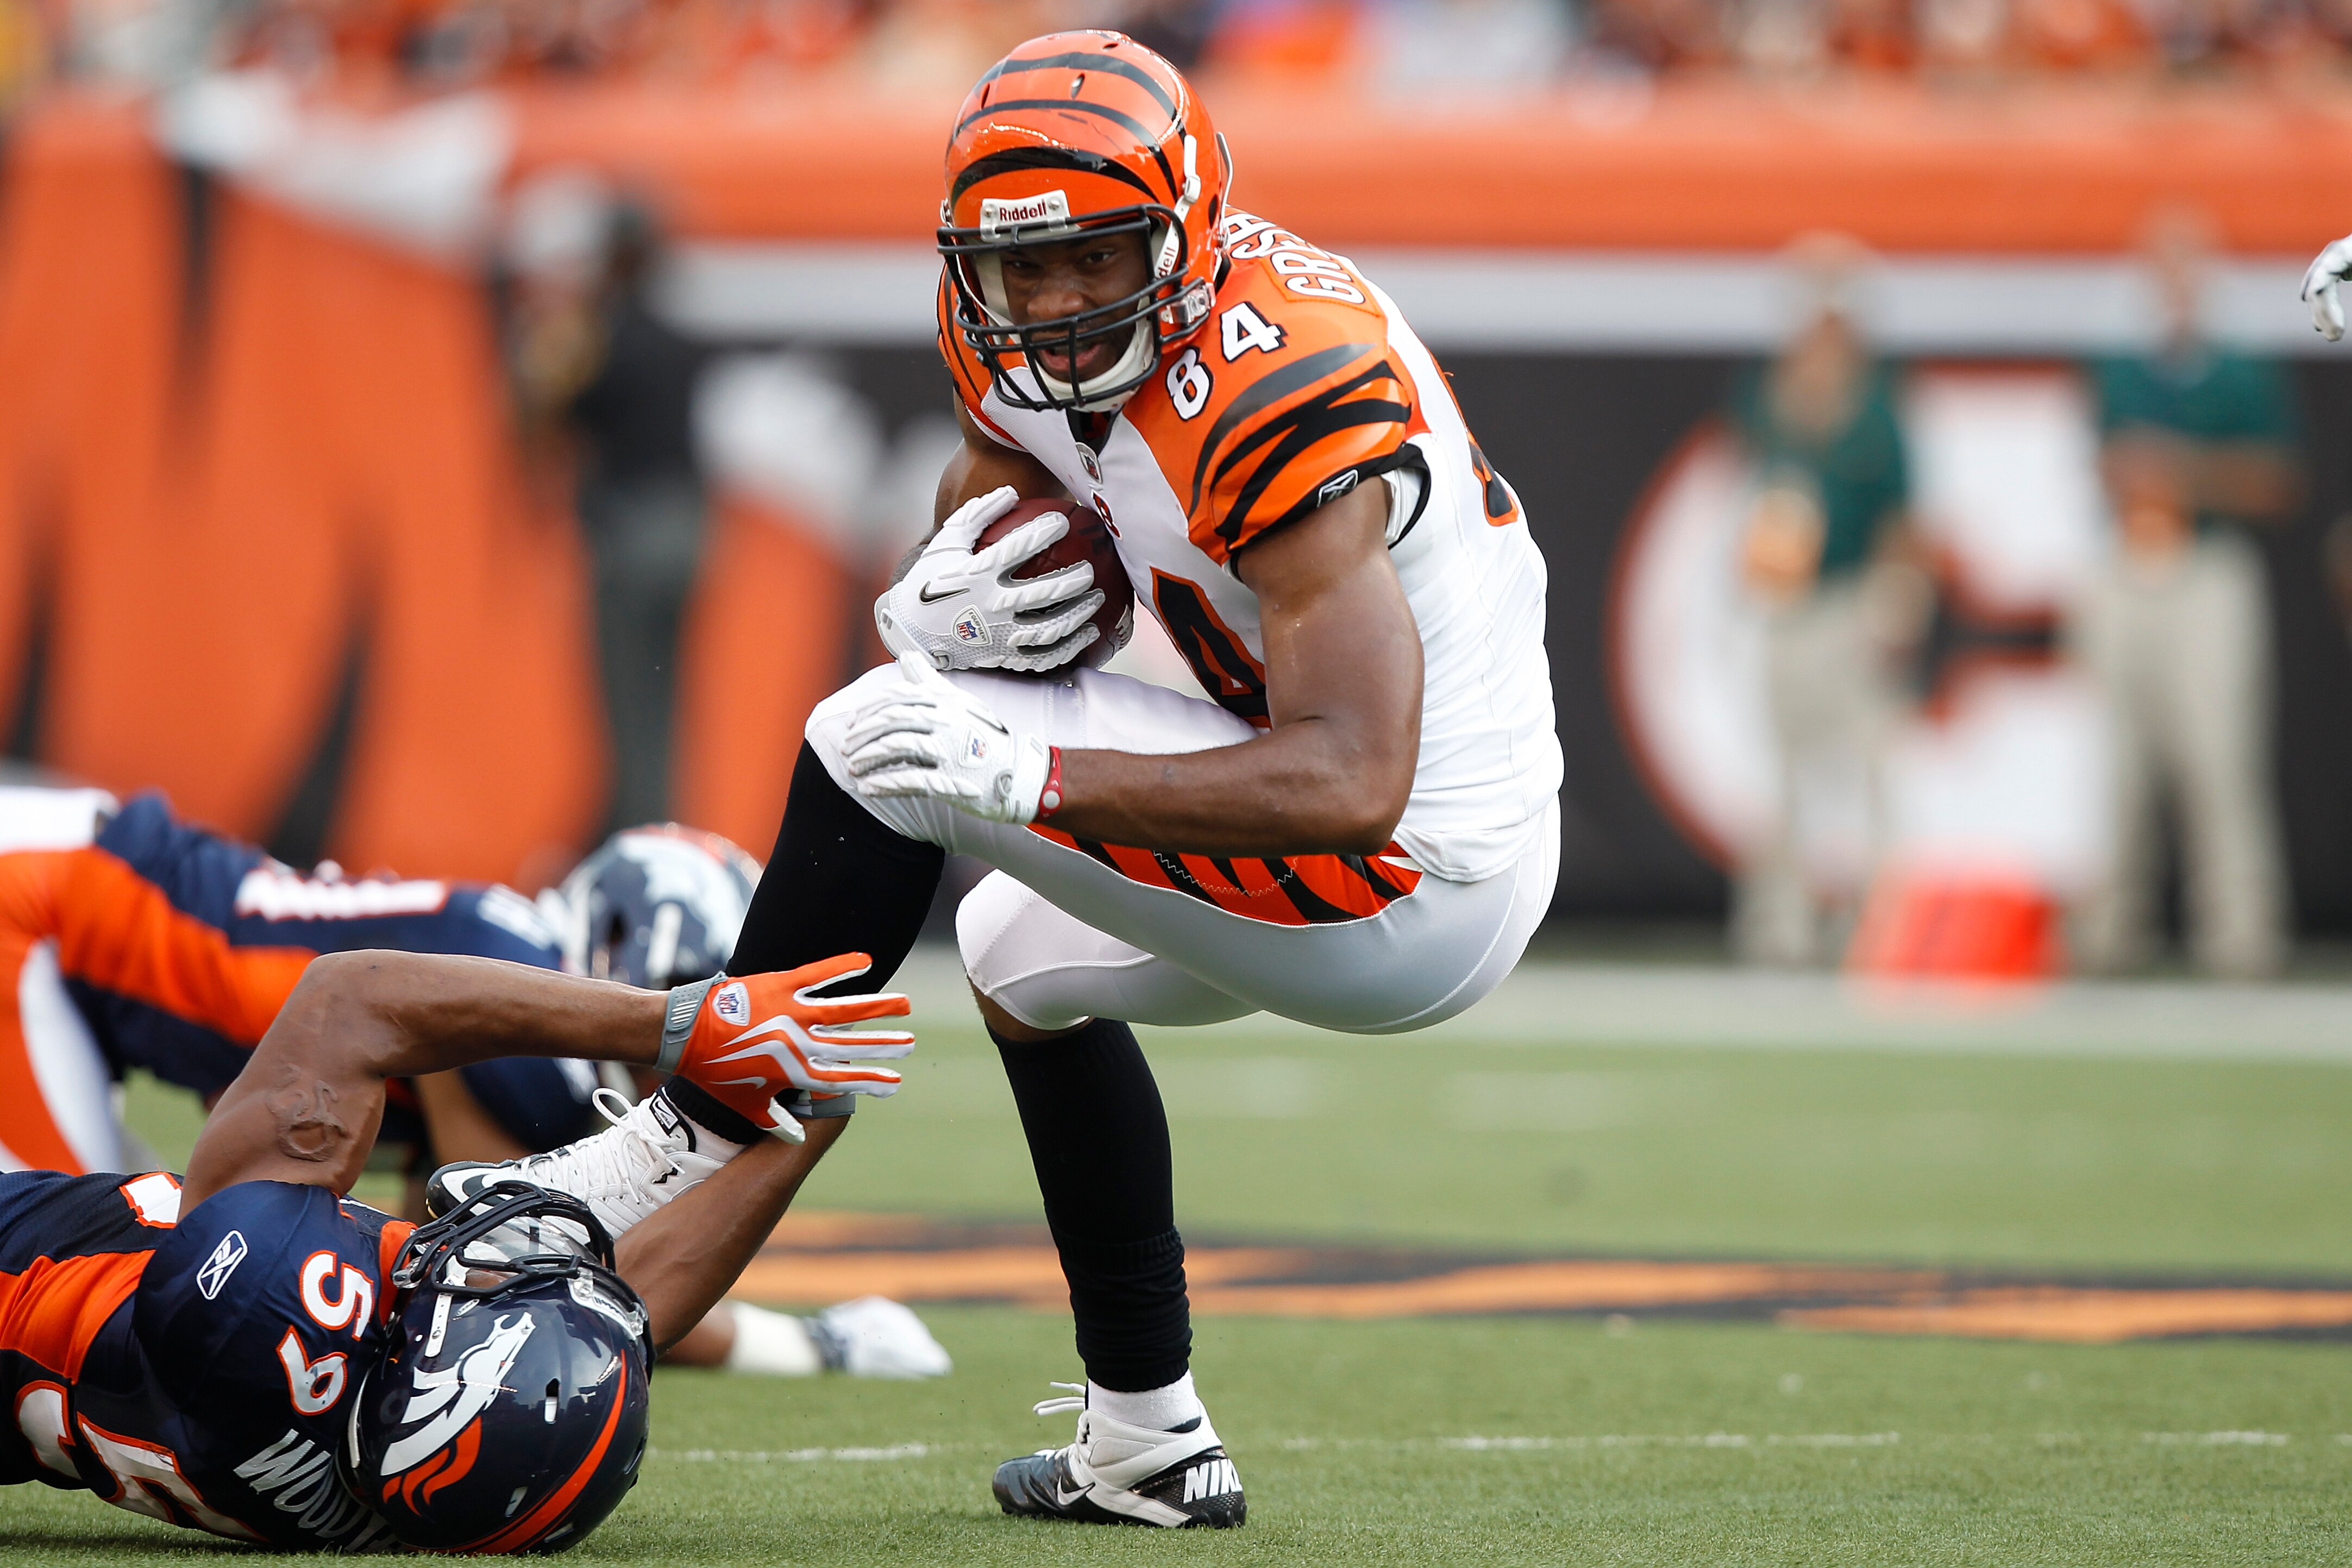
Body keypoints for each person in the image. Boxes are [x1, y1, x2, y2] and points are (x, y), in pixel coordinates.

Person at [654, 31, 1559, 1528]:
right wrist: (955, 580)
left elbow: (1349, 777)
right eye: (1029, 272)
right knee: (1013, 952)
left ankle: (682, 1132)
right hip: (1275, 745)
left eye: (1099, 261)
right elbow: (1026, 498)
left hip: (1417, 865)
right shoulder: (1001, 333)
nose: (1060, 307)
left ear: (1185, 240)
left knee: (883, 743)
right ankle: (1146, 1435)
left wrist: (1029, 767)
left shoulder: (1283, 384)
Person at [0, 789, 946, 1378]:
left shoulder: (506, 954)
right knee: (89, 1312)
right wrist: (809, 1346)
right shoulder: (519, 1041)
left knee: (147, 1257)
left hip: (69, 919)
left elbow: (417, 1246)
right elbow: (504, 1284)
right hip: (31, 916)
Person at [0, 944, 916, 1550]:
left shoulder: (269, 1297)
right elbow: (629, 1312)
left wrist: (675, 1022)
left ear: (417, 1355)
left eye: (490, 1293)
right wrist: (813, 1115)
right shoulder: (438, 1492)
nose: (490, 1268)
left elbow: (347, 1001)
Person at [2074, 209, 2301, 978]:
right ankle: (2112, 927)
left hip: (2206, 569)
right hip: (2131, 564)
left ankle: (2238, 932)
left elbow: (2275, 480)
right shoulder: (2118, 367)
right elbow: (2101, 466)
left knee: (2217, 757)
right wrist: (2133, 474)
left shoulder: (2238, 371)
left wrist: (2182, 469)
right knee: (2119, 762)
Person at [1728, 241, 1920, 965]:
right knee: (1778, 774)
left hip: (1850, 598)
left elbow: (1904, 518)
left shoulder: (1878, 407)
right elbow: (1756, 485)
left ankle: (1878, 923)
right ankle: (1776, 926)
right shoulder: (1768, 393)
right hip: (1786, 604)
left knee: (1869, 768)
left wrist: (1897, 603)